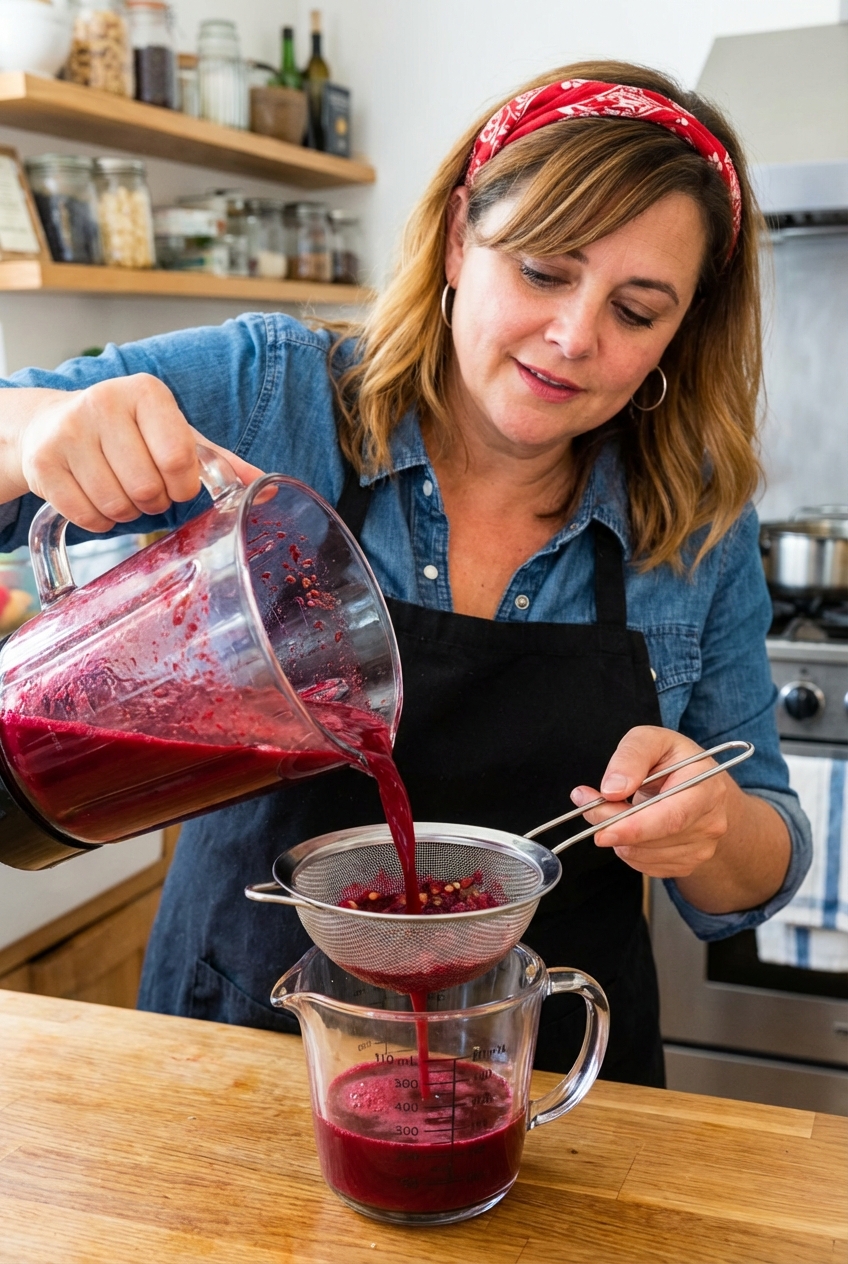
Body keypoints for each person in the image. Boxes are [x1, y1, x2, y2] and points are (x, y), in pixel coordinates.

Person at [0, 61, 811, 1086]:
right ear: (460, 235)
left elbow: (758, 868)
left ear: (679, 330)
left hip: (550, 1079)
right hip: (242, 1064)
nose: (573, 337)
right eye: (544, 271)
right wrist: (35, 431)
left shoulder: (693, 520)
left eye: (636, 309)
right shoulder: (272, 393)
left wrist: (715, 822)